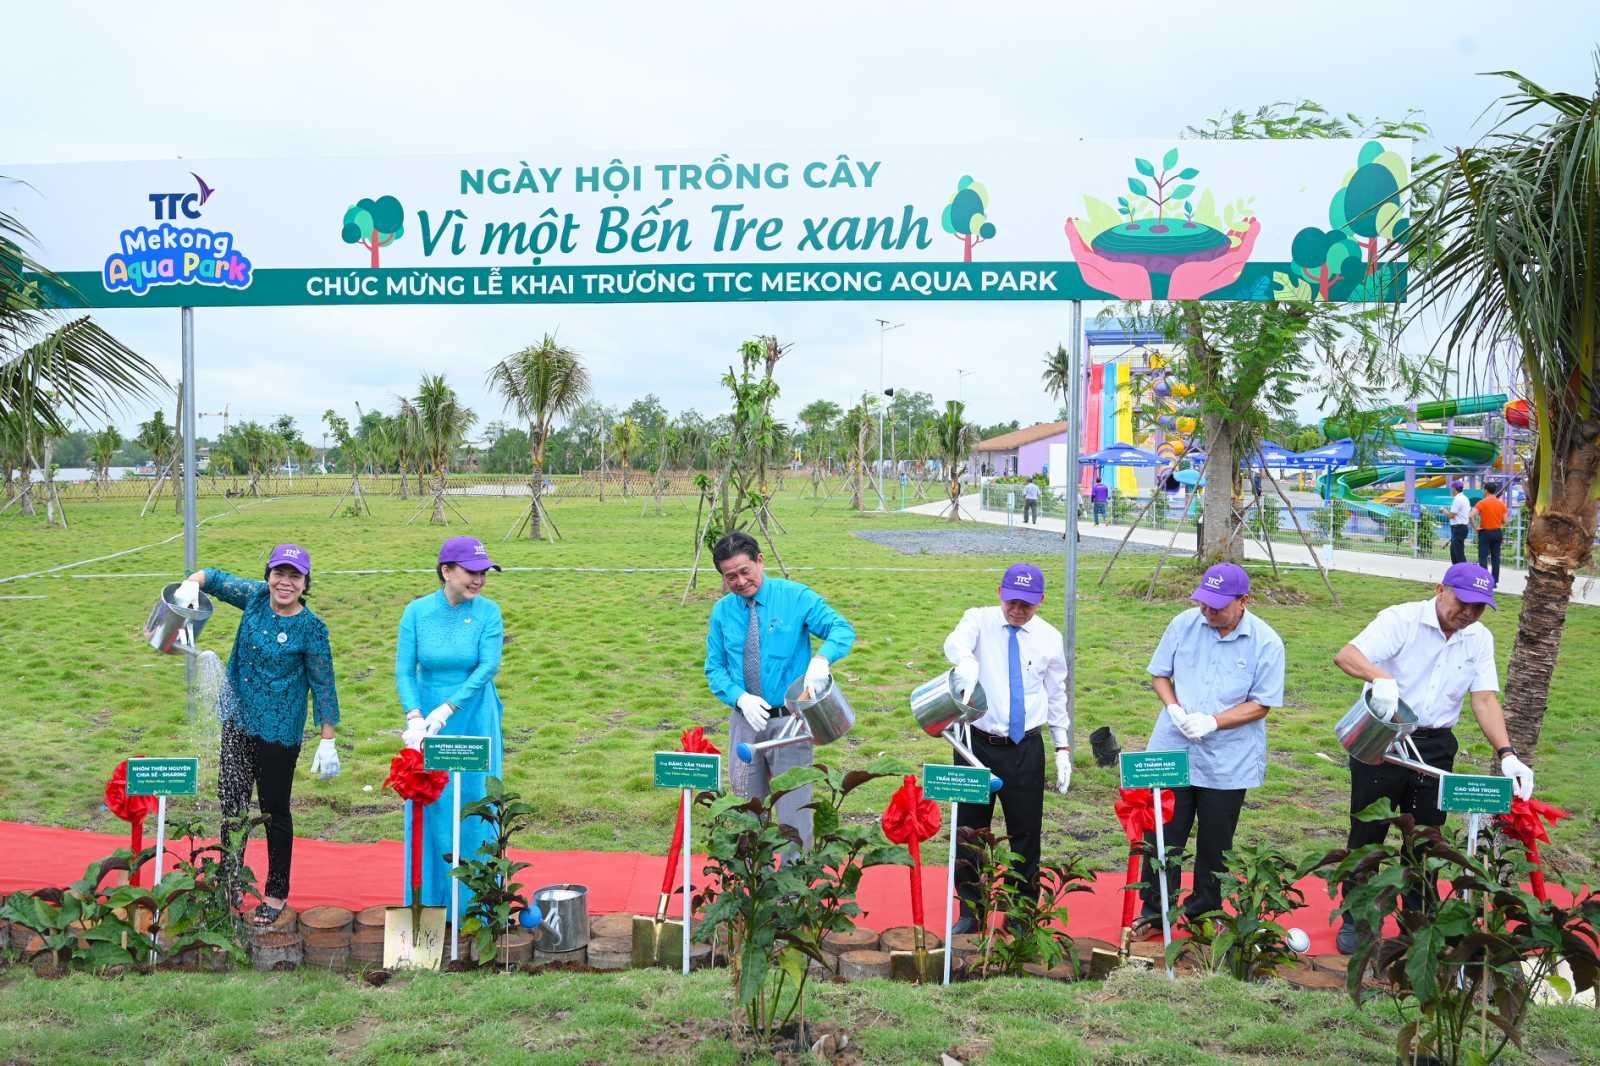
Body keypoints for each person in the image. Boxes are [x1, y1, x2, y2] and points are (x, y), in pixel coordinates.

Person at [1331, 562, 1535, 954]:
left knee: (1425, 839)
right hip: (1385, 737)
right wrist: (1380, 678)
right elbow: (1348, 655)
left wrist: (1507, 753)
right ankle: (1356, 919)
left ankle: (1417, 925)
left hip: (1437, 745)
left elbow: (1485, 698)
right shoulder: (1401, 620)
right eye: (1464, 603)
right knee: (1367, 834)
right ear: (1441, 589)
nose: (1469, 614)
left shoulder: (1478, 638)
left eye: (1479, 608)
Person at [183, 544, 341, 926]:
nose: (285, 582)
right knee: (232, 805)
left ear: (305, 583)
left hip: (279, 732)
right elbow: (216, 578)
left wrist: (328, 738)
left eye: (294, 576)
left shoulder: (311, 629)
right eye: (279, 573)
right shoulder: (254, 599)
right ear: (268, 575)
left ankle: (275, 891)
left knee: (274, 812)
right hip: (237, 722)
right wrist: (192, 583)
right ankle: (230, 880)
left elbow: (323, 685)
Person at [1132, 563, 1284, 937]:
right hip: (1174, 747)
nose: (1208, 611)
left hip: (1228, 758)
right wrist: (1173, 707)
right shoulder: (1183, 624)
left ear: (1244, 601)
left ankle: (1205, 909)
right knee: (1163, 834)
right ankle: (1154, 912)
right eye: (1204, 603)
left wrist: (1215, 721)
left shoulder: (1266, 642)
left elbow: (1262, 703)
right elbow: (1160, 673)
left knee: (1216, 840)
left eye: (1217, 606)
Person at [705, 531, 854, 851]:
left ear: (760, 560)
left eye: (745, 571)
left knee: (795, 816)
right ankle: (752, 890)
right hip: (746, 723)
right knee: (747, 812)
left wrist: (821, 660)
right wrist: (739, 698)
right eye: (730, 576)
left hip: (792, 725)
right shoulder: (722, 612)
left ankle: (793, 894)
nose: (740, 581)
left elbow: (841, 629)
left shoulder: (795, 597)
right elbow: (714, 668)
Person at [943, 563, 1071, 933]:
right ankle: (971, 912)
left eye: (1027, 605)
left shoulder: (1049, 637)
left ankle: (1019, 914)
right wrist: (966, 660)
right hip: (975, 745)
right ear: (1000, 591)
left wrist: (1062, 747)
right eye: (1012, 601)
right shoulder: (978, 620)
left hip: (1025, 747)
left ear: (1041, 601)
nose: (1017, 610)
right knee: (969, 831)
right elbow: (954, 642)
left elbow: (1056, 693)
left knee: (1025, 833)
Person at [396, 536, 505, 909]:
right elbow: (404, 670)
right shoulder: (416, 612)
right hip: (427, 717)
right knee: (432, 801)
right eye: (471, 572)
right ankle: (431, 900)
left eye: (484, 573)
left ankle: (479, 903)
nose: (479, 580)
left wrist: (448, 709)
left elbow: (487, 667)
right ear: (446, 571)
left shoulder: (489, 612)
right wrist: (415, 715)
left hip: (472, 713)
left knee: (475, 799)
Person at [1473, 481, 1507, 583]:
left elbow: (1471, 515)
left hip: (1485, 532)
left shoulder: (1482, 503)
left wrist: (1476, 527)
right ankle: (1494, 581)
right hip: (1497, 532)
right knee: (1496, 557)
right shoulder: (1501, 504)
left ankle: (1484, 580)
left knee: (1483, 556)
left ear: (1486, 490)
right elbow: (1505, 521)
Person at [1443, 479, 1471, 564]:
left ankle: (1464, 572)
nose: (1451, 490)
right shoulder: (1465, 498)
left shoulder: (1458, 499)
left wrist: (1443, 510)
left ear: (1454, 489)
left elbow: (1452, 515)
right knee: (1454, 553)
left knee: (1458, 554)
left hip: (1458, 528)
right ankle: (1457, 571)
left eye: (1452, 488)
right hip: (1461, 528)